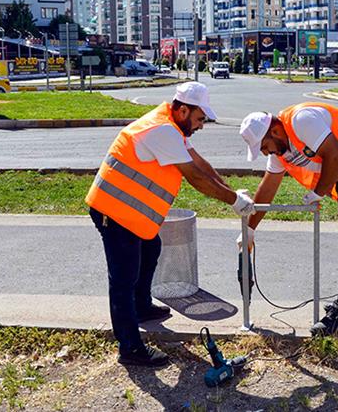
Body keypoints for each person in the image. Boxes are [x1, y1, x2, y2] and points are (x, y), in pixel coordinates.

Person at [86, 82, 255, 367]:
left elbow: (200, 163)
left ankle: (140, 308)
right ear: (184, 110)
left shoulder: (172, 126)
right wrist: (232, 201)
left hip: (132, 215)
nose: (201, 125)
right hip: (113, 210)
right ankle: (129, 348)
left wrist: (231, 190)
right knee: (123, 279)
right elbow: (195, 178)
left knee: (151, 248)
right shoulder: (162, 130)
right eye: (200, 119)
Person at [238, 102, 338, 336]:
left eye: (266, 147)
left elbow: (335, 156)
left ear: (275, 131)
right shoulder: (282, 148)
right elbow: (268, 186)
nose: (267, 152)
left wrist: (319, 191)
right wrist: (250, 229)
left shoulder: (302, 120)